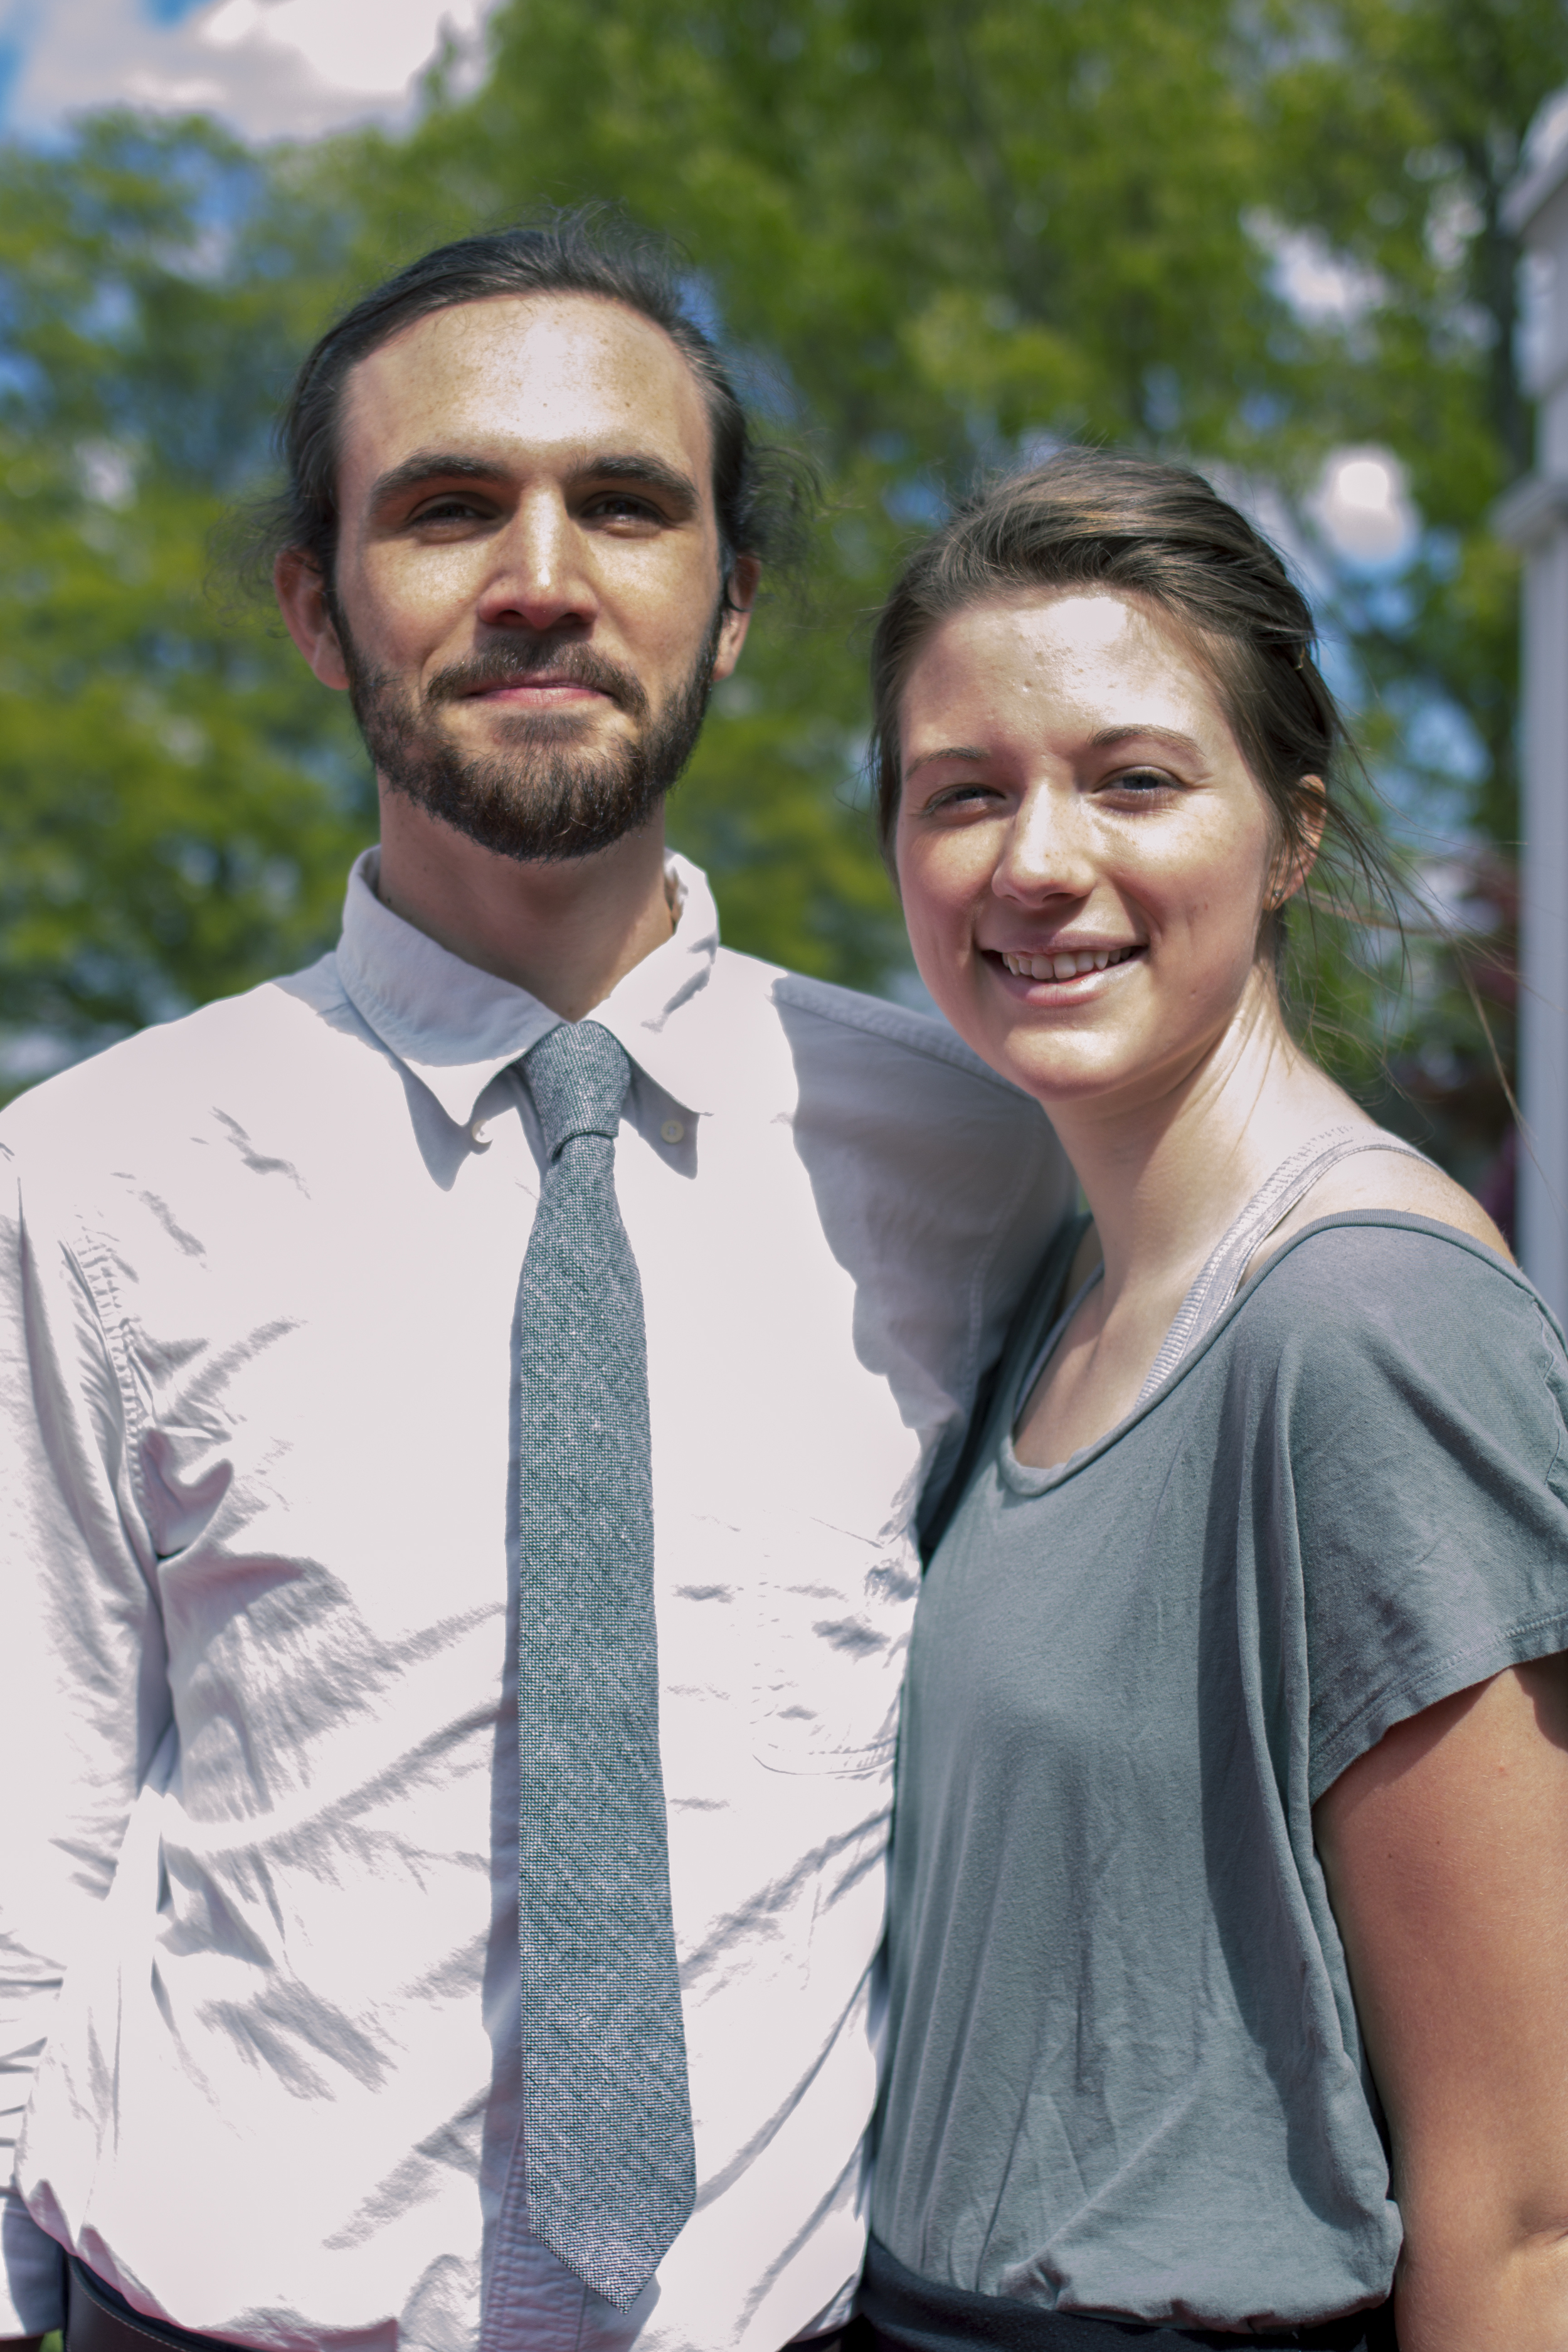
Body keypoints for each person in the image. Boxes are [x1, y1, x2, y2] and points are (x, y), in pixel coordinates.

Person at [0, 218, 1074, 2352]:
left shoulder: (979, 1168)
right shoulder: (84, 1180)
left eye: (626, 504)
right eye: (446, 506)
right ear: (319, 608)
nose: (540, 576)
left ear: (733, 602)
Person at [858, 449, 1568, 2352]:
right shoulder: (1054, 1295)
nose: (1035, 859)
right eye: (963, 796)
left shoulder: (1362, 1324)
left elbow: (1522, 2210)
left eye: (1134, 778)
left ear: (1289, 834)